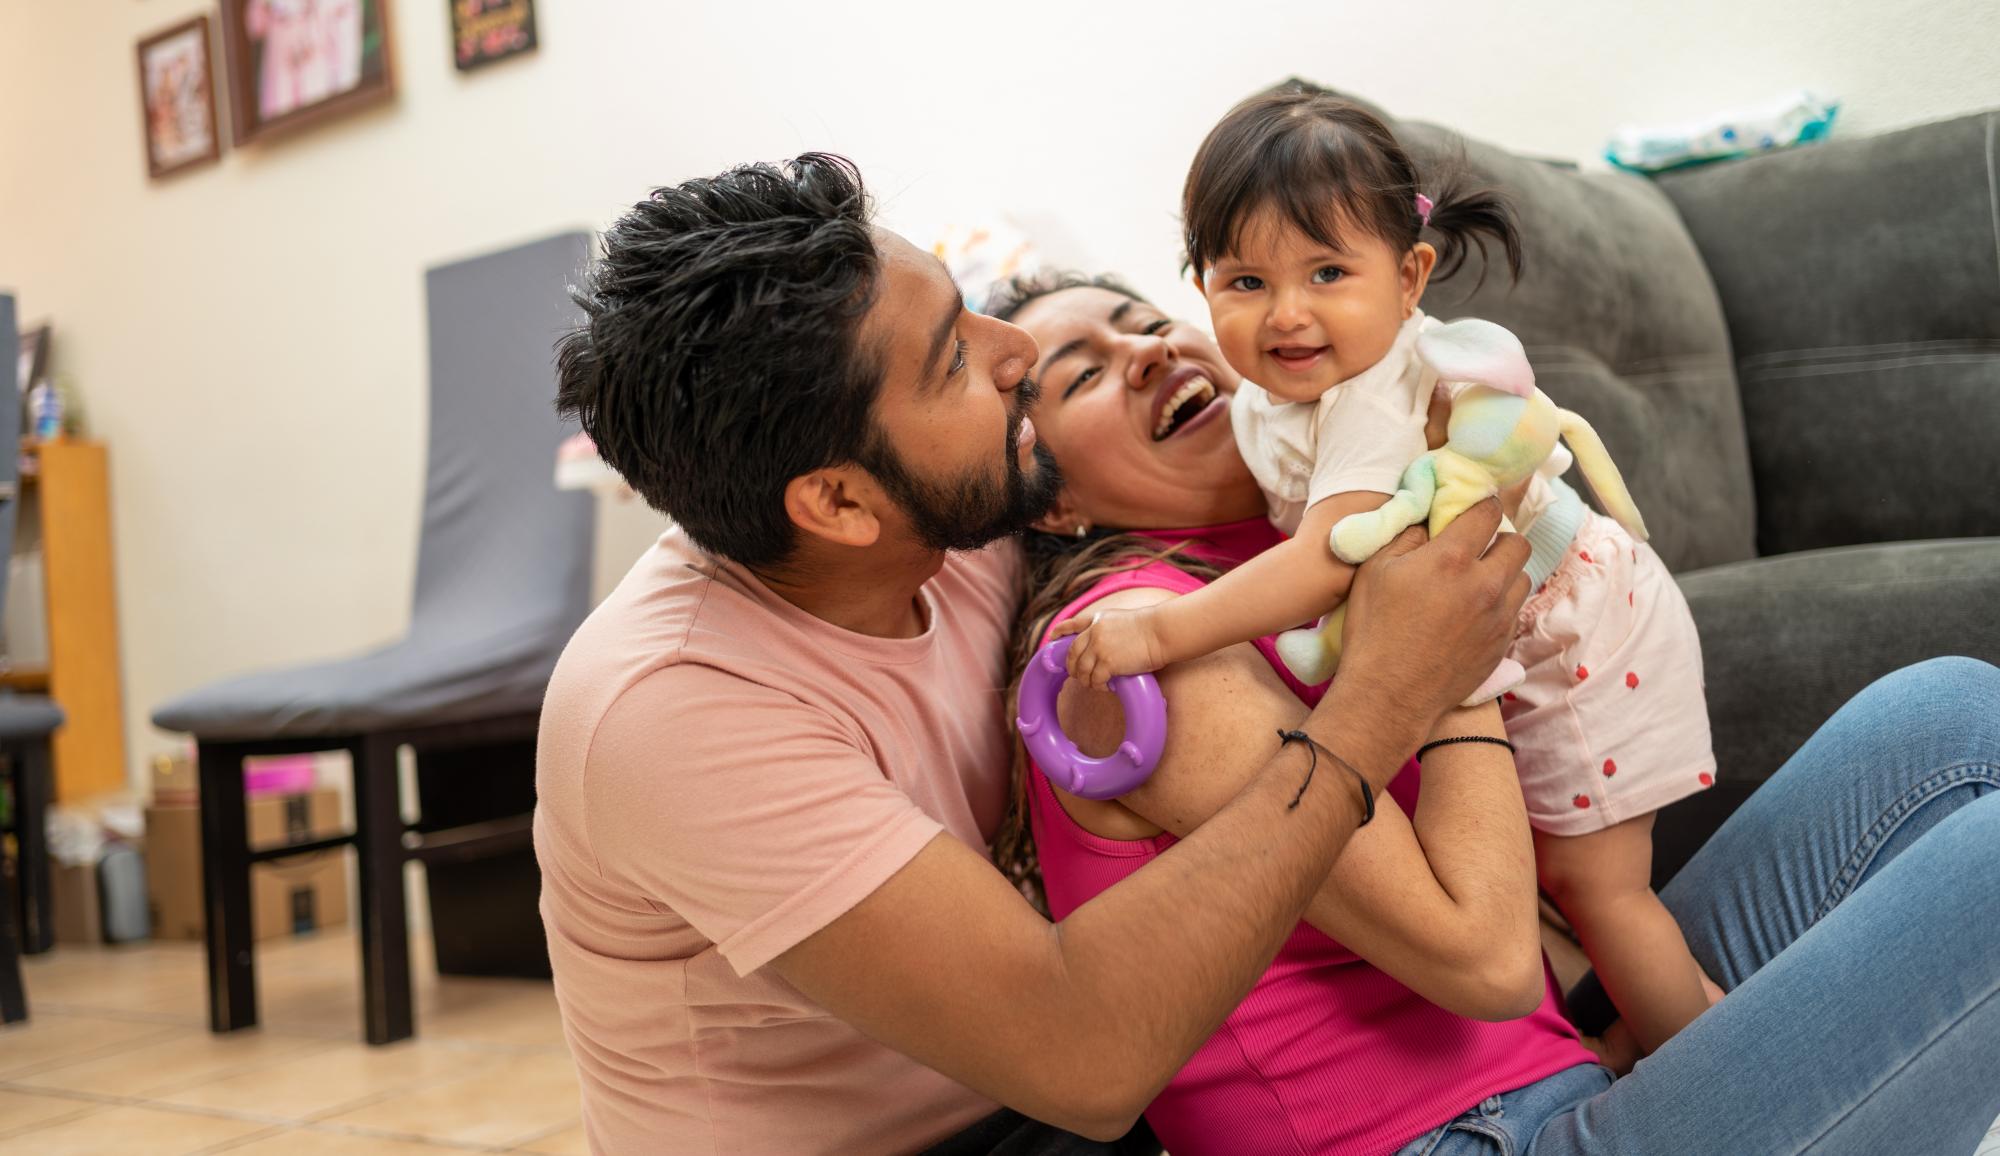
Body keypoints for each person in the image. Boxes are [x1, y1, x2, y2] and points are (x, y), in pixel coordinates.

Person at [532, 152, 1535, 1154]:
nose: (1011, 347)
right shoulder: (670, 709)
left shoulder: (946, 517)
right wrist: (1400, 688)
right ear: (837, 502)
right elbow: (1080, 1057)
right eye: (953, 358)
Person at [992, 267, 2000, 1154]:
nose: (1145, 350)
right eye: (1081, 370)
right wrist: (1436, 658)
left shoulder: (1296, 542)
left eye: (1141, 317)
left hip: (1560, 1072)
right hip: (1464, 1140)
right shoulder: (1134, 648)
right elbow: (1483, 960)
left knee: (1949, 718)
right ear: (1049, 502)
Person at [1048, 90, 1718, 1055]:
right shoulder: (1267, 402)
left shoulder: (1371, 393)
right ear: (1202, 285)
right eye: (1245, 282)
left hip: (1578, 631)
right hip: (1512, 639)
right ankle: (1693, 1041)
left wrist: (1159, 635)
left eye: (1327, 271)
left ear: (1410, 280)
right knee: (1566, 891)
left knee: (1599, 892)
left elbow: (1327, 559)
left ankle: (1718, 1089)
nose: (1287, 313)